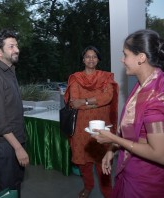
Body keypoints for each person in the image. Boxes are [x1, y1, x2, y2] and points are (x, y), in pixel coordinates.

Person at [93, 29, 164, 197]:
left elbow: (161, 155)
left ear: (141, 57)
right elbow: (130, 129)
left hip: (147, 183)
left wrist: (112, 139)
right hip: (132, 170)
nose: (122, 60)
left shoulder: (155, 101)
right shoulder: (143, 87)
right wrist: (111, 149)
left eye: (125, 54)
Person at [64, 46, 119, 198]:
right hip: (81, 128)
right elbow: (74, 101)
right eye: (87, 56)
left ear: (98, 59)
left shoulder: (106, 77)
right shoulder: (75, 78)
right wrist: (95, 101)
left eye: (94, 56)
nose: (91, 59)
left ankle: (108, 192)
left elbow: (107, 97)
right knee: (83, 162)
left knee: (103, 162)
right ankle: (88, 187)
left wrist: (86, 101)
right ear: (83, 59)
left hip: (101, 126)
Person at [0, 29, 29, 197]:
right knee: (7, 189)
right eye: (11, 46)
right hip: (6, 144)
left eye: (16, 45)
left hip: (15, 138)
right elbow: (0, 122)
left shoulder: (10, 70)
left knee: (16, 184)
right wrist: (18, 148)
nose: (16, 49)